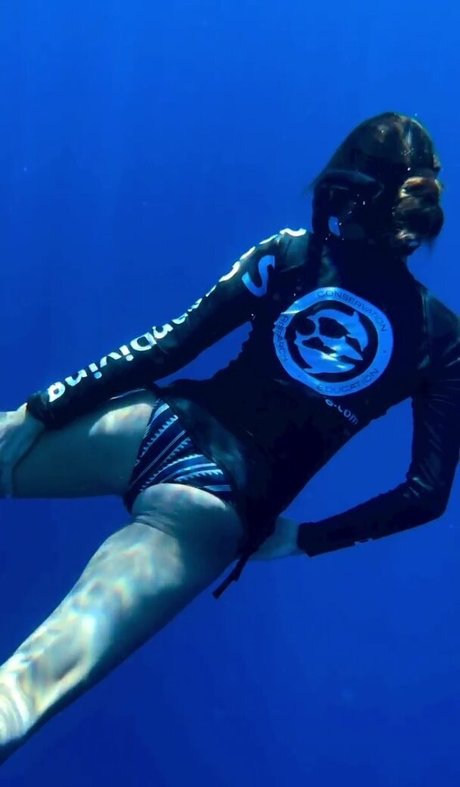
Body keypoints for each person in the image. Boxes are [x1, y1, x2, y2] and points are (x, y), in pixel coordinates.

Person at [0, 111, 458, 763]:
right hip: (215, 506)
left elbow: (167, 346)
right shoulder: (442, 337)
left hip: (149, 423)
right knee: (20, 696)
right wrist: (304, 538)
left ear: (345, 188)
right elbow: (426, 494)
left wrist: (40, 410)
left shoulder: (290, 253)